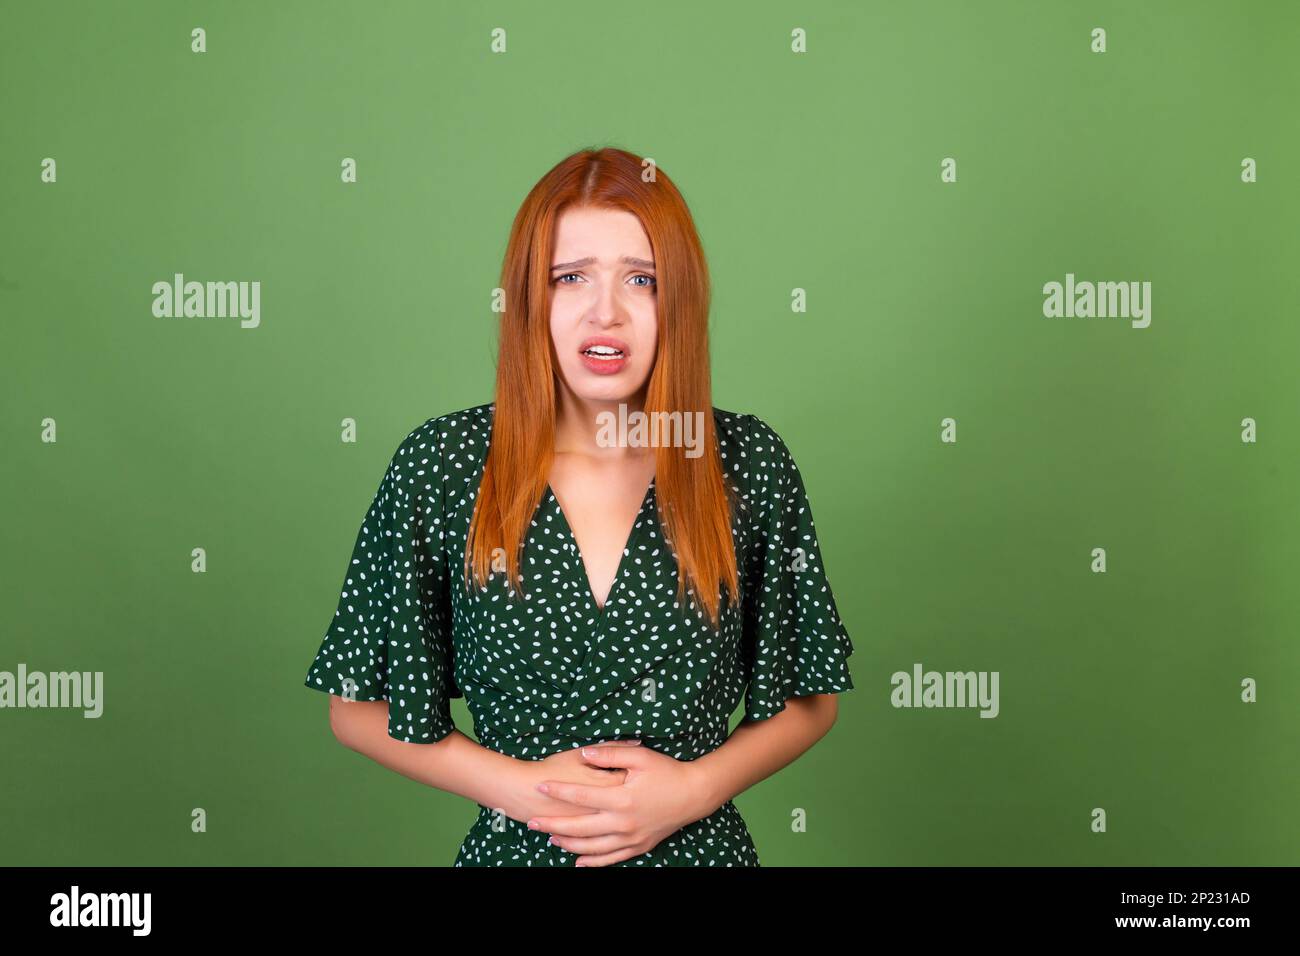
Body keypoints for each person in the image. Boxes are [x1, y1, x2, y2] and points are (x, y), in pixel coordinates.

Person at [303, 146, 855, 866]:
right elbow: (356, 705)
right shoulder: (442, 466)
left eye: (642, 280)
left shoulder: (747, 463)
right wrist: (522, 791)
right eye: (571, 278)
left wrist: (694, 790)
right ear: (530, 296)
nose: (607, 312)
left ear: (678, 301)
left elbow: (812, 696)